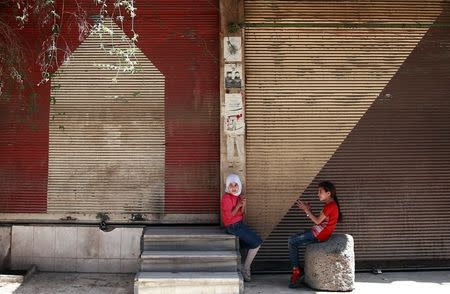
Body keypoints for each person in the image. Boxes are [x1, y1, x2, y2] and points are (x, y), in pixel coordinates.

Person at [288, 180, 342, 288]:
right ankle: (298, 270)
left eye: (320, 191)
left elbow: (317, 221)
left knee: (292, 241)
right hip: (317, 232)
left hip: (319, 235)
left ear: (328, 193)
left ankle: (297, 271)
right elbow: (321, 221)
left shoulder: (330, 206)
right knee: (294, 239)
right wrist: (308, 210)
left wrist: (306, 210)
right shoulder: (331, 205)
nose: (318, 194)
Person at [221, 173, 263, 282]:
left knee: (248, 244)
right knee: (257, 242)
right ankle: (245, 268)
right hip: (233, 226)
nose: (234, 188)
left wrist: (243, 204)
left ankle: (242, 266)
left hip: (239, 224)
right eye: (231, 185)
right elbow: (229, 217)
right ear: (227, 186)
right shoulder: (226, 198)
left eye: (236, 185)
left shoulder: (237, 196)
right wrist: (239, 205)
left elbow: (242, 213)